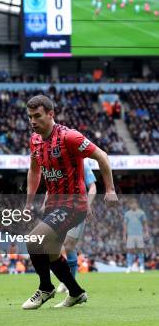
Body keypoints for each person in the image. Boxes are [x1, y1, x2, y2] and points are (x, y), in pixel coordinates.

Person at [22, 95, 117, 310]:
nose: (33, 121)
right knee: (54, 252)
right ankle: (76, 293)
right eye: (30, 117)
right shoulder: (35, 140)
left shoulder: (69, 137)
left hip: (74, 204)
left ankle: (46, 288)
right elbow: (34, 170)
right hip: (53, 205)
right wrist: (29, 201)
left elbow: (102, 156)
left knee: (34, 240)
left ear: (50, 114)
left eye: (37, 116)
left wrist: (110, 189)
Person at [56, 159, 97, 293]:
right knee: (59, 246)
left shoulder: (82, 164)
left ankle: (70, 283)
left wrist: (88, 204)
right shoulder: (58, 164)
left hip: (77, 209)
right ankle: (66, 280)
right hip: (60, 209)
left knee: (69, 245)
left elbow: (92, 187)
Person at [123, 198, 149, 273]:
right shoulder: (127, 213)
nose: (133, 205)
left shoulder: (141, 213)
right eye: (132, 204)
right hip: (130, 235)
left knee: (140, 250)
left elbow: (145, 223)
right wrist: (124, 236)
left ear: (137, 204)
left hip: (139, 234)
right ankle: (129, 266)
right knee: (130, 251)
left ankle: (141, 267)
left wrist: (146, 232)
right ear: (130, 205)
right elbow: (125, 225)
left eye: (134, 204)